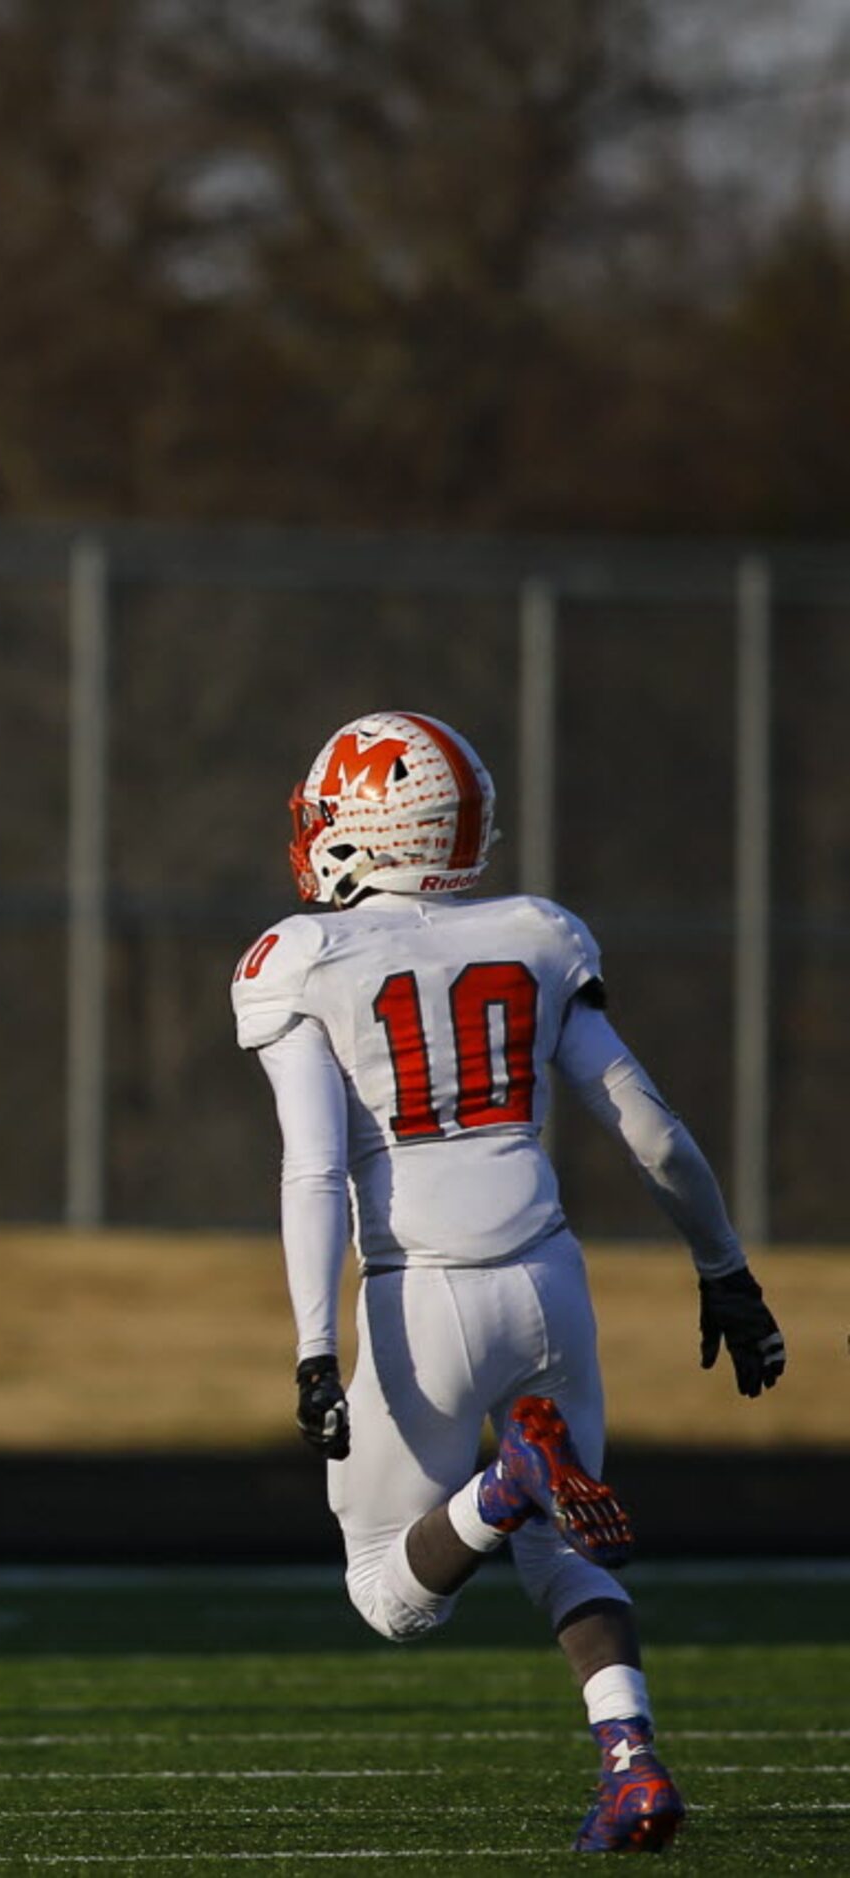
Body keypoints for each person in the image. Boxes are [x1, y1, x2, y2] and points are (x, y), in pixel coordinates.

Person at [229, 711, 786, 1856]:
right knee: (565, 1551)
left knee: (390, 1595)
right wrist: (723, 1269)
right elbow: (650, 1128)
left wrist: (311, 1346)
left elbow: (314, 1166)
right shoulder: (535, 932)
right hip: (547, 1274)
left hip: (414, 1288)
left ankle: (500, 1486)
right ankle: (630, 1764)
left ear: (364, 828)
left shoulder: (303, 958)